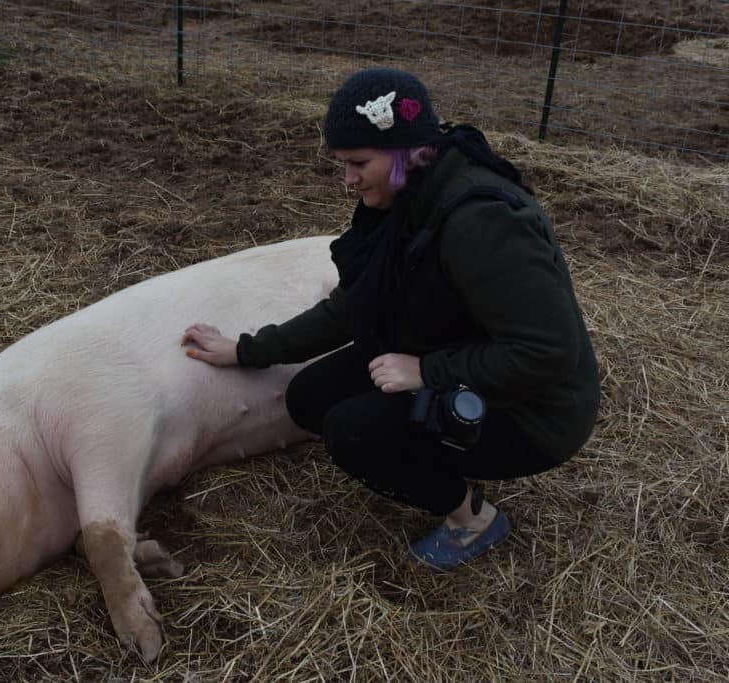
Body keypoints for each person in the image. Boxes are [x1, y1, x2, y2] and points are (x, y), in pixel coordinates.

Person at [180, 68, 600, 572]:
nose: (348, 179)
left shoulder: (483, 221)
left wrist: (426, 373)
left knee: (353, 432)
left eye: (358, 162)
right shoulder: (408, 198)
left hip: (535, 409)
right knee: (309, 398)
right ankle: (442, 456)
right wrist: (247, 349)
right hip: (457, 352)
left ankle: (473, 519)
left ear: (404, 150)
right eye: (342, 163)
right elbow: (353, 306)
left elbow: (547, 353)